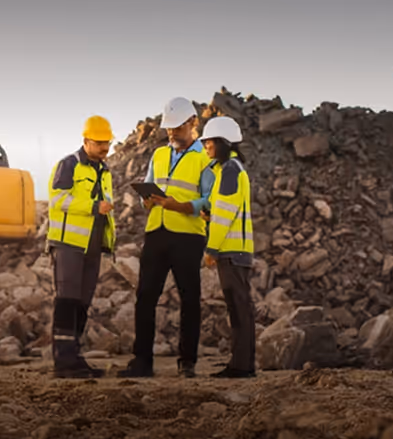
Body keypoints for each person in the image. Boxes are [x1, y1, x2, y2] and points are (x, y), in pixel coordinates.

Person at [121, 97, 213, 378]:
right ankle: (142, 362)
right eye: (168, 128)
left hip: (188, 236)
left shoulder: (205, 158)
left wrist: (184, 206)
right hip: (156, 233)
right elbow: (147, 194)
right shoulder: (159, 155)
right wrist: (146, 202)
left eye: (177, 127)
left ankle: (188, 363)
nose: (171, 133)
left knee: (189, 299)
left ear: (193, 123)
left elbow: (210, 201)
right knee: (146, 296)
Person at [46, 115, 116, 378]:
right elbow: (58, 199)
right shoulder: (69, 165)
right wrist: (92, 207)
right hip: (69, 244)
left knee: (82, 302)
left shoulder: (105, 170)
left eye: (107, 143)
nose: (105, 148)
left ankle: (74, 357)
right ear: (86, 141)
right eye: (99, 143)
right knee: (67, 300)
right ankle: (63, 362)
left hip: (93, 246)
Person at [200, 116, 256, 378]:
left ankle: (242, 366)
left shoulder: (231, 169)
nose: (206, 146)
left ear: (223, 142)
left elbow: (226, 214)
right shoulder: (228, 169)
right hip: (233, 251)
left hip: (233, 252)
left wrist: (211, 249)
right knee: (237, 308)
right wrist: (209, 215)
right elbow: (222, 211)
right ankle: (240, 364)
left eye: (209, 141)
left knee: (239, 308)